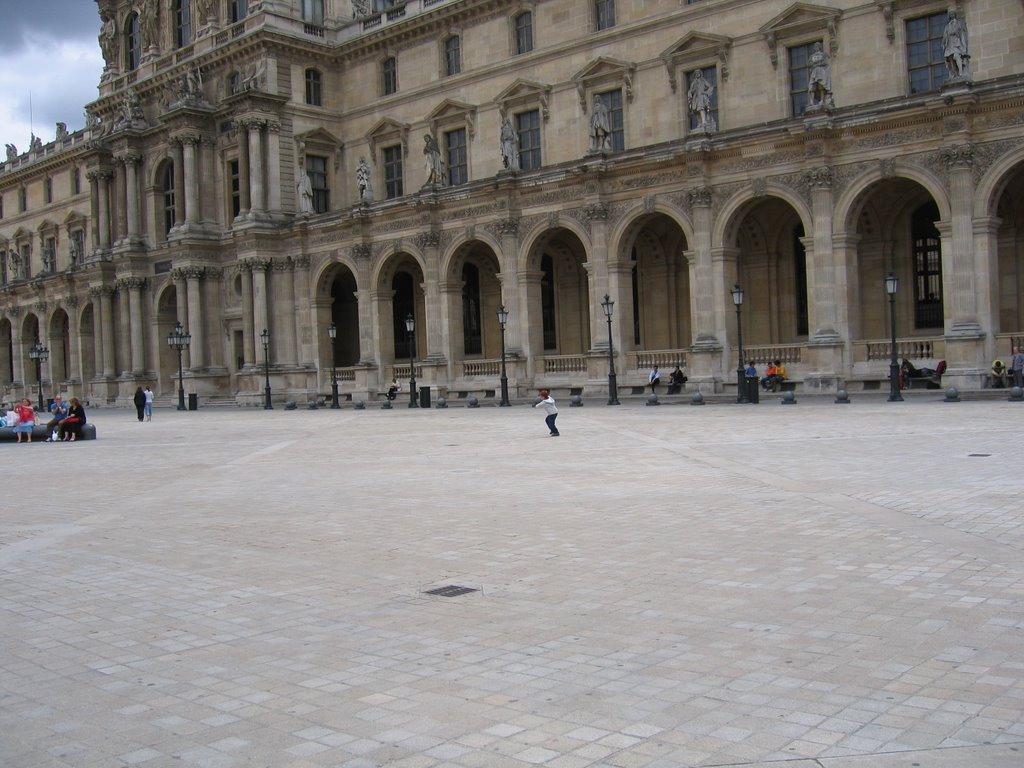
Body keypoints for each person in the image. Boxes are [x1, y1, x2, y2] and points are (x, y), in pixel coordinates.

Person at [942, 9, 969, 79]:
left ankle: (960, 72)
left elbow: (962, 33)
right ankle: (954, 74)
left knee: (956, 55)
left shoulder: (958, 23)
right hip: (949, 42)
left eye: (952, 14)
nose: (951, 15)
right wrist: (943, 43)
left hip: (956, 41)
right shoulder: (947, 26)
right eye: (950, 14)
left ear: (955, 15)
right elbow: (945, 35)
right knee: (951, 58)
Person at [807, 42, 834, 109]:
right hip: (814, 72)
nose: (816, 47)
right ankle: (811, 101)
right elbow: (809, 64)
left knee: (821, 86)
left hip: (820, 72)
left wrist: (816, 64)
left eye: (817, 46)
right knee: (812, 87)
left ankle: (822, 100)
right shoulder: (812, 56)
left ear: (819, 47)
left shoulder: (823, 55)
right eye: (815, 46)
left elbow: (825, 63)